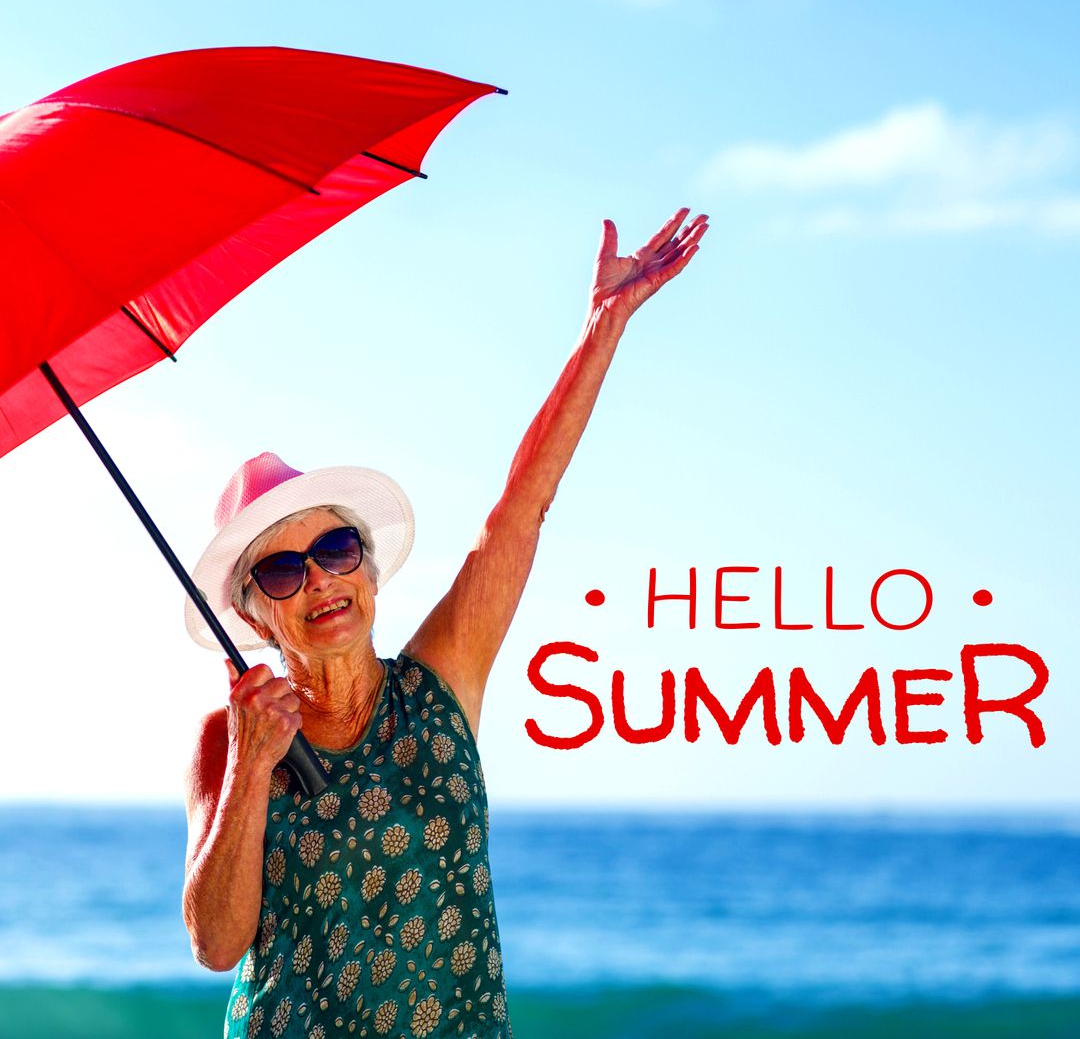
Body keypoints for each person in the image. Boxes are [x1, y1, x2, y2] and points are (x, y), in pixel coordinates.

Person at [181, 208, 708, 1038]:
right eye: (284, 569)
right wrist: (252, 769)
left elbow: (519, 513)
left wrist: (602, 328)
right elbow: (216, 944)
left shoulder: (439, 682)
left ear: (369, 563)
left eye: (335, 545)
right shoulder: (229, 741)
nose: (319, 577)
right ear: (253, 612)